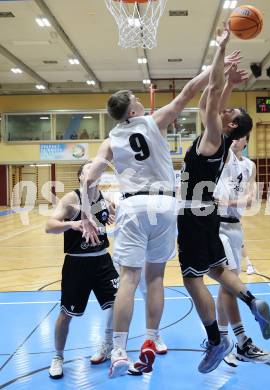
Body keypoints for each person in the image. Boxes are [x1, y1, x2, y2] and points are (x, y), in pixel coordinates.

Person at [80, 46, 240, 377]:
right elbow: (190, 90)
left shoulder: (110, 139)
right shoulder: (154, 121)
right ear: (133, 108)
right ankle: (151, 338)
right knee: (155, 278)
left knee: (129, 278)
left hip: (133, 205)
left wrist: (85, 211)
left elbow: (90, 174)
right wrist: (218, 66)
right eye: (137, 99)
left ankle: (120, 349)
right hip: (166, 205)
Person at [178, 27, 270, 374]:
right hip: (211, 217)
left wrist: (220, 50)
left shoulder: (213, 138)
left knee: (193, 280)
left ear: (230, 123)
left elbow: (210, 94)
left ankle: (216, 340)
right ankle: (252, 300)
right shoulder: (222, 144)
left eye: (227, 111)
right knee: (220, 270)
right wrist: (231, 83)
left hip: (192, 214)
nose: (219, 110)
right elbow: (213, 99)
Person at [46, 161, 123, 379]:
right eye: (88, 169)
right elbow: (49, 225)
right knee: (66, 314)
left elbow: (115, 220)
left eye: (96, 168)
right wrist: (71, 225)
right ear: (81, 177)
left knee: (119, 304)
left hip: (102, 261)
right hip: (76, 264)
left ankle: (108, 345)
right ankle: (58, 357)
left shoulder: (103, 200)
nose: (93, 171)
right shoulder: (72, 199)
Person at [214, 134, 270, 367]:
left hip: (235, 226)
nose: (234, 139)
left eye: (240, 136)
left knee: (227, 287)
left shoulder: (250, 166)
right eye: (233, 135)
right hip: (216, 225)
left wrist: (236, 202)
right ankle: (237, 342)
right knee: (229, 283)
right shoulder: (223, 157)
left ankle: (224, 342)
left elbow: (250, 199)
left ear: (246, 141)